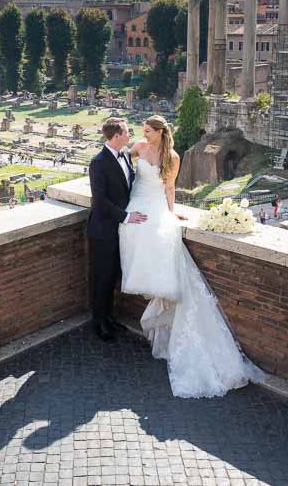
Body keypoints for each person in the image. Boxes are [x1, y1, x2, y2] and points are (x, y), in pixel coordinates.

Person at [118, 114, 264, 398]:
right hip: (136, 200)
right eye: (143, 131)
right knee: (133, 230)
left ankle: (159, 286)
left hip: (155, 202)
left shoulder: (172, 157)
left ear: (160, 132)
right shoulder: (138, 146)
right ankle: (146, 283)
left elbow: (169, 187)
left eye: (148, 131)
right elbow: (121, 160)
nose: (144, 134)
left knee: (160, 233)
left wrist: (171, 212)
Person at [87, 118, 147, 343]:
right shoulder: (98, 162)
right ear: (116, 136)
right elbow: (100, 200)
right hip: (103, 230)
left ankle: (109, 317)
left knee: (112, 276)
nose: (129, 134)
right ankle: (98, 322)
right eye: (126, 131)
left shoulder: (124, 156)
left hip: (120, 231)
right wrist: (126, 216)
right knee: (101, 278)